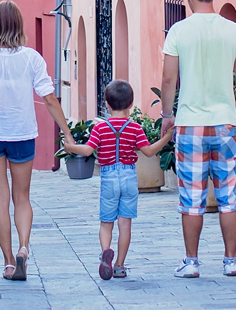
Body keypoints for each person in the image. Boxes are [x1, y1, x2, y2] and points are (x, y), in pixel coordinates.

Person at [0, 0, 74, 281]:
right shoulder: (32, 58)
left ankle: (8, 263)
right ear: (20, 25)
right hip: (22, 135)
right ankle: (23, 247)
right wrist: (66, 132)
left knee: (0, 198)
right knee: (22, 197)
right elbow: (49, 98)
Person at [160, 0, 236, 278]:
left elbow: (169, 78)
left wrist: (166, 115)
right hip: (224, 122)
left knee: (192, 198)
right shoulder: (233, 31)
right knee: (229, 196)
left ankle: (191, 261)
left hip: (189, 124)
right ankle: (231, 260)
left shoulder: (178, 31)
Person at [62, 80, 173, 280]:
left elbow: (88, 150)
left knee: (106, 223)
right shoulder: (135, 128)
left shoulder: (100, 128)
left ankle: (106, 251)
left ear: (106, 104)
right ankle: (120, 265)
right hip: (130, 176)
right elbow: (148, 152)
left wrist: (70, 148)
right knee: (125, 224)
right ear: (131, 104)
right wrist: (166, 138)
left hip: (108, 177)